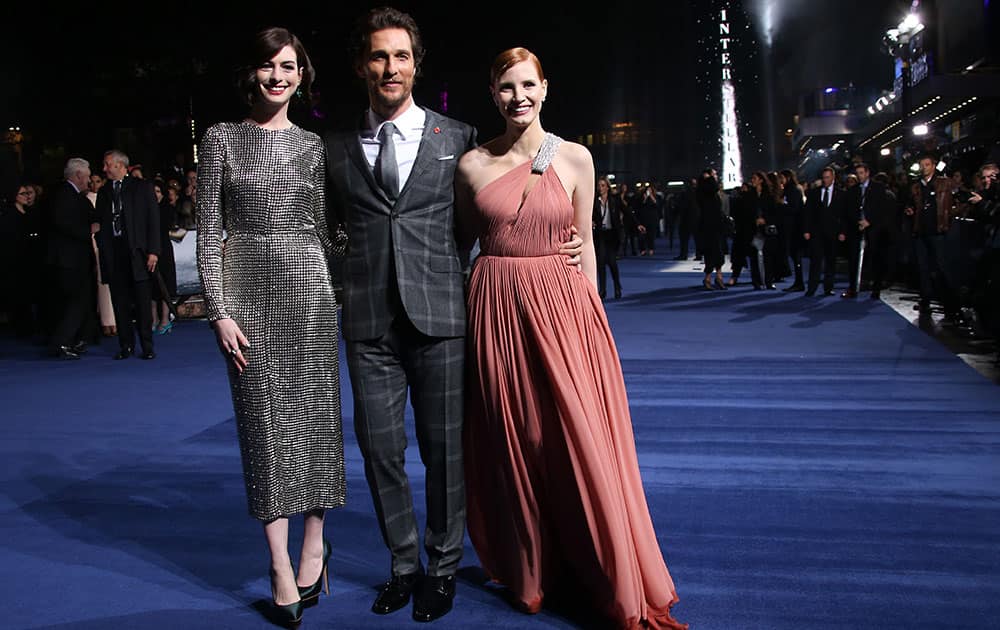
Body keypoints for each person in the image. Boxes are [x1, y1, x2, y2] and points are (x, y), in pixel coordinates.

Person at [325, 9, 581, 623]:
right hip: (368, 325)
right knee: (380, 452)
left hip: (443, 318)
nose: (391, 68)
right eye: (379, 57)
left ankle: (442, 568)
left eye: (402, 57)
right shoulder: (334, 148)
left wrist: (560, 239)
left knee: (444, 453)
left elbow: (500, 200)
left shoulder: (459, 137)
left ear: (417, 63)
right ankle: (403, 564)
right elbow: (326, 230)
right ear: (362, 64)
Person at [455, 46, 687, 630]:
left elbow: (584, 247)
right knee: (518, 439)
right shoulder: (471, 166)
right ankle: (532, 566)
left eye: (528, 85)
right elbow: (463, 243)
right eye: (507, 87)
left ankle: (601, 568)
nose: (519, 97)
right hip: (496, 312)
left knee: (575, 439)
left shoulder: (577, 158)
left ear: (546, 87)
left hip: (564, 313)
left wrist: (595, 332)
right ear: (493, 94)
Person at [195, 26, 344, 627]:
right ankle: (278, 564)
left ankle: (314, 546)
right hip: (247, 294)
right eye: (267, 66)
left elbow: (330, 231)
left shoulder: (315, 146)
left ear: (302, 74)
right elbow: (210, 233)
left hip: (311, 290)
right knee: (264, 429)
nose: (278, 76)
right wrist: (220, 310)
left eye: (289, 66)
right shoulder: (221, 139)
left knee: (314, 423)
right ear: (250, 73)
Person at [94, 149, 160, 360]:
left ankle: (147, 346)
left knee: (142, 303)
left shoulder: (142, 187)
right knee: (119, 302)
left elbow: (153, 221)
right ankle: (126, 346)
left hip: (137, 253)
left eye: (107, 164)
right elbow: (100, 222)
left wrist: (153, 251)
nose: (104, 169)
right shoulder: (104, 192)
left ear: (120, 165)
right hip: (114, 252)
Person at [43, 158, 97, 359]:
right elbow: (62, 223)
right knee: (75, 302)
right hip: (67, 260)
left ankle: (71, 340)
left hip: (73, 260)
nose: (90, 180)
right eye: (88, 176)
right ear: (78, 175)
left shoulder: (74, 196)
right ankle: (61, 342)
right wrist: (88, 230)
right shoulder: (63, 195)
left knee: (76, 302)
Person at [904, 153, 958, 314]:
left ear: (933, 166)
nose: (924, 168)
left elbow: (958, 200)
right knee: (923, 268)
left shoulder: (944, 183)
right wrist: (910, 210)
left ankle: (950, 304)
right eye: (922, 165)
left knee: (942, 267)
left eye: (927, 165)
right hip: (921, 232)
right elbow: (911, 205)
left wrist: (950, 215)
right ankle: (925, 299)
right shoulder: (916, 187)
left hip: (938, 231)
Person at [803, 166, 846, 296]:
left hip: (833, 232)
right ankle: (812, 288)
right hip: (817, 232)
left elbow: (844, 215)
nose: (825, 180)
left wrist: (843, 232)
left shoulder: (841, 194)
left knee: (830, 261)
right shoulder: (814, 193)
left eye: (828, 177)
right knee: (815, 261)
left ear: (833, 177)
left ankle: (828, 287)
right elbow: (808, 213)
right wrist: (806, 230)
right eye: (824, 177)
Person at [152, 181, 178, 334]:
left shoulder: (167, 209)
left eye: (157, 191)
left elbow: (167, 226)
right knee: (152, 286)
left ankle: (165, 319)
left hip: (164, 250)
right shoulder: (146, 208)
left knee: (165, 284)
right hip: (150, 249)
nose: (155, 194)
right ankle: (153, 318)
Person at [593, 175, 624, 299]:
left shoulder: (615, 199)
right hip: (600, 234)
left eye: (603, 185)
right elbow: (588, 213)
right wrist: (591, 221)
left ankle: (617, 286)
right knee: (600, 263)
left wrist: (638, 224)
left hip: (612, 234)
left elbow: (626, 210)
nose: (600, 188)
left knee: (612, 262)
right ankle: (602, 290)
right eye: (599, 186)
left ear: (607, 187)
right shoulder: (594, 200)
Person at [696, 168, 727, 290]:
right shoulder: (704, 191)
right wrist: (709, 178)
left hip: (717, 225)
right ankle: (708, 277)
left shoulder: (713, 193)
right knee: (711, 251)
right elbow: (713, 187)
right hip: (708, 226)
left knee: (719, 251)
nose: (715, 177)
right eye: (713, 175)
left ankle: (718, 276)